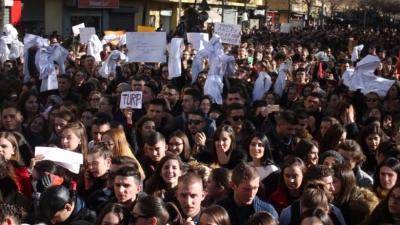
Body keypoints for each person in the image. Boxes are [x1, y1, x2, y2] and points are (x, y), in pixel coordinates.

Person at [246, 132, 280, 197]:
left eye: (260, 145)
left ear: (266, 149)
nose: (256, 148)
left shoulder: (274, 171)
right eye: (253, 144)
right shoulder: (245, 167)